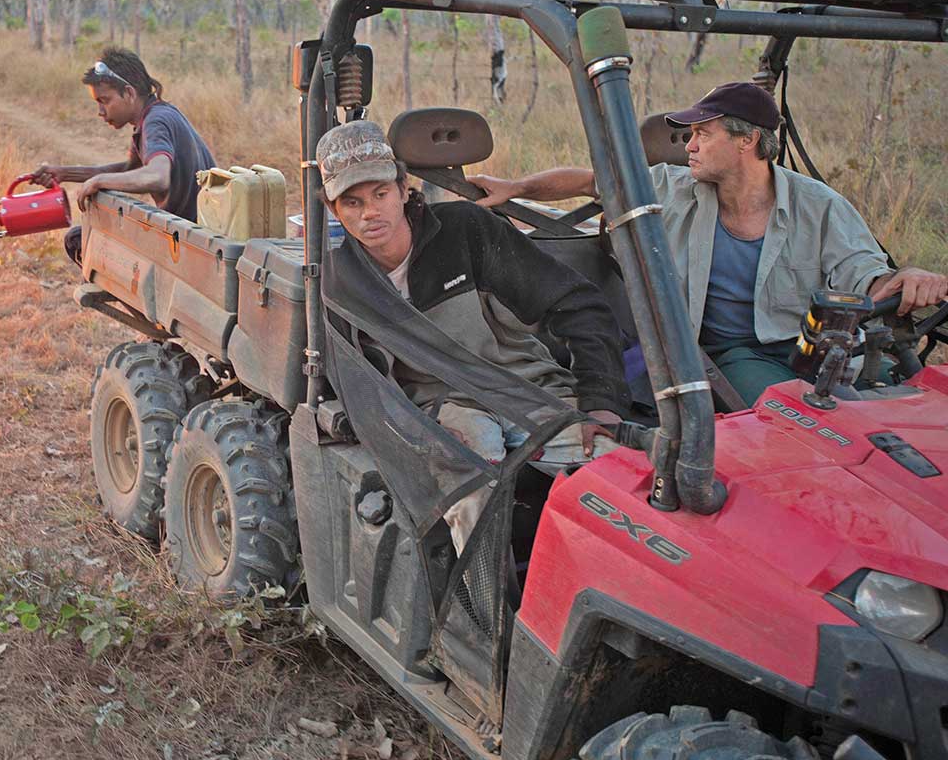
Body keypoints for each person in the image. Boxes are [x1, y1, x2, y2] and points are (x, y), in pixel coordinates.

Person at [470, 82, 948, 407]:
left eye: (703, 133)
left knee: (888, 403)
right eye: (690, 135)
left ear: (745, 142)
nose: (690, 146)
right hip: (724, 355)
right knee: (801, 414)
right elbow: (591, 182)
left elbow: (864, 274)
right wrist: (516, 188)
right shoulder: (671, 187)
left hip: (808, 347)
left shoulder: (819, 205)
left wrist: (905, 279)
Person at [318, 120, 631, 554]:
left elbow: (579, 303)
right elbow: (366, 395)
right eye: (351, 202)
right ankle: (485, 611)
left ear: (404, 189)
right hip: (448, 408)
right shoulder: (343, 282)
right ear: (334, 211)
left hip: (524, 388)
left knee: (614, 472)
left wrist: (601, 400)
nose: (369, 212)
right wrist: (422, 441)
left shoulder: (467, 230)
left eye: (380, 194)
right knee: (470, 488)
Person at [28, 48, 216, 265]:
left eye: (105, 100)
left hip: (188, 242)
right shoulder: (156, 115)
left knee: (77, 239)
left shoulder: (155, 122)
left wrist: (99, 181)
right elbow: (130, 171)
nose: (100, 111)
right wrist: (64, 173)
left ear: (129, 93)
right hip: (189, 234)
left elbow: (157, 176)